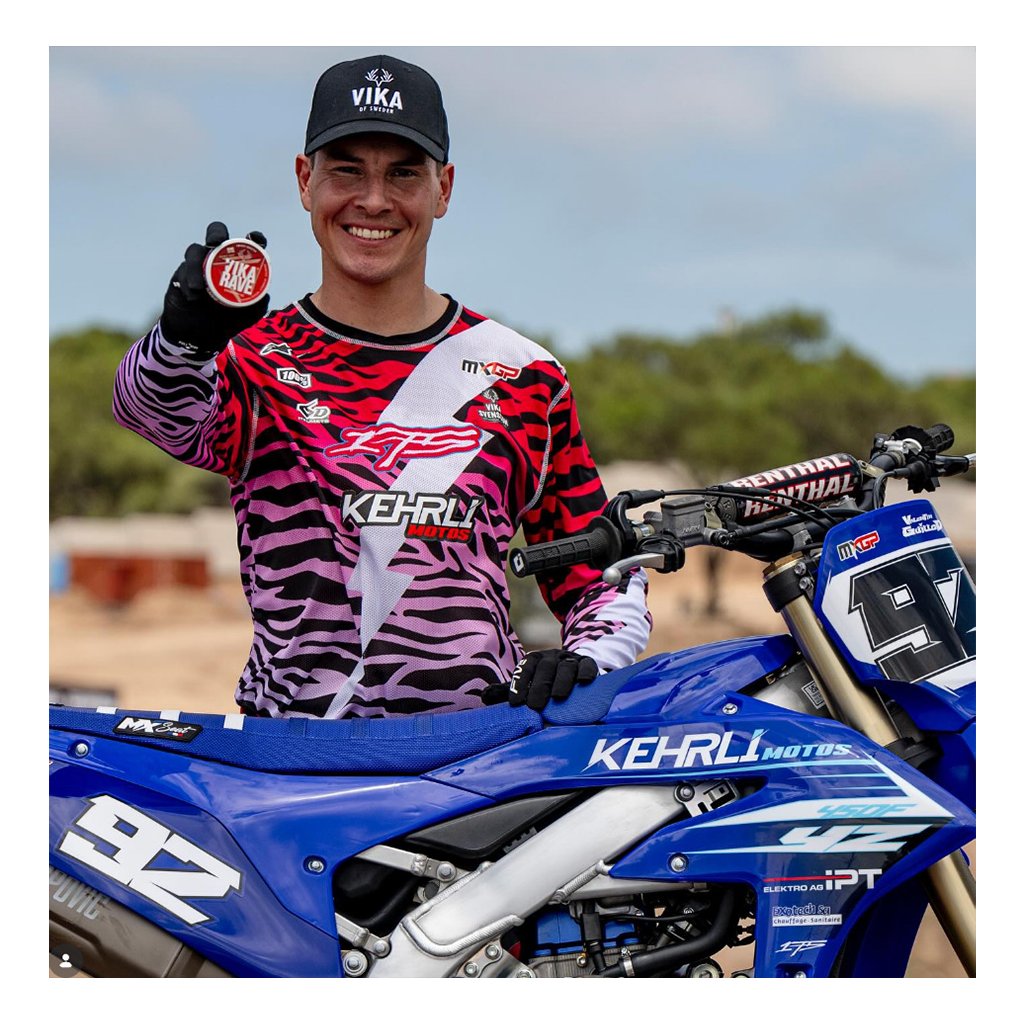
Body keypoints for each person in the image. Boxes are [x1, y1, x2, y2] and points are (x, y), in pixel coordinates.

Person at [113, 54, 651, 719]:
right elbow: (146, 409)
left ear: (443, 188)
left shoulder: (527, 375)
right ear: (305, 180)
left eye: (403, 173)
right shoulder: (251, 358)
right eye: (347, 170)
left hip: (478, 758)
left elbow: (601, 571)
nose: (373, 200)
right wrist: (182, 337)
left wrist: (592, 659)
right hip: (287, 758)